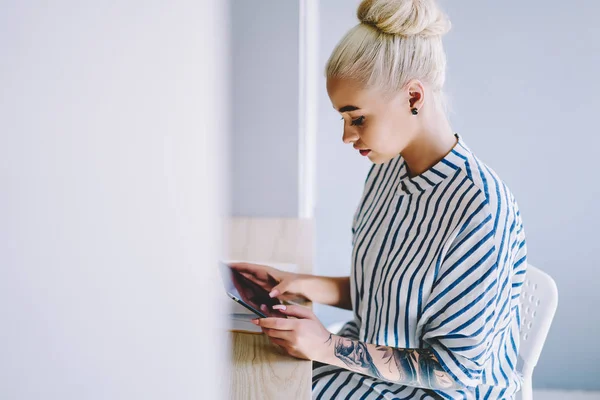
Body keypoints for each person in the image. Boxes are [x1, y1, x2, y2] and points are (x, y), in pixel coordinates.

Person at [231, 0, 527, 398]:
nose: (347, 137)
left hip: (432, 391)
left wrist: (325, 345)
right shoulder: (387, 171)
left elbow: (453, 373)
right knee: (250, 375)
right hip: (365, 367)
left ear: (414, 97)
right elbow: (388, 293)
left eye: (358, 118)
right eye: (343, 119)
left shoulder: (479, 210)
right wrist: (300, 284)